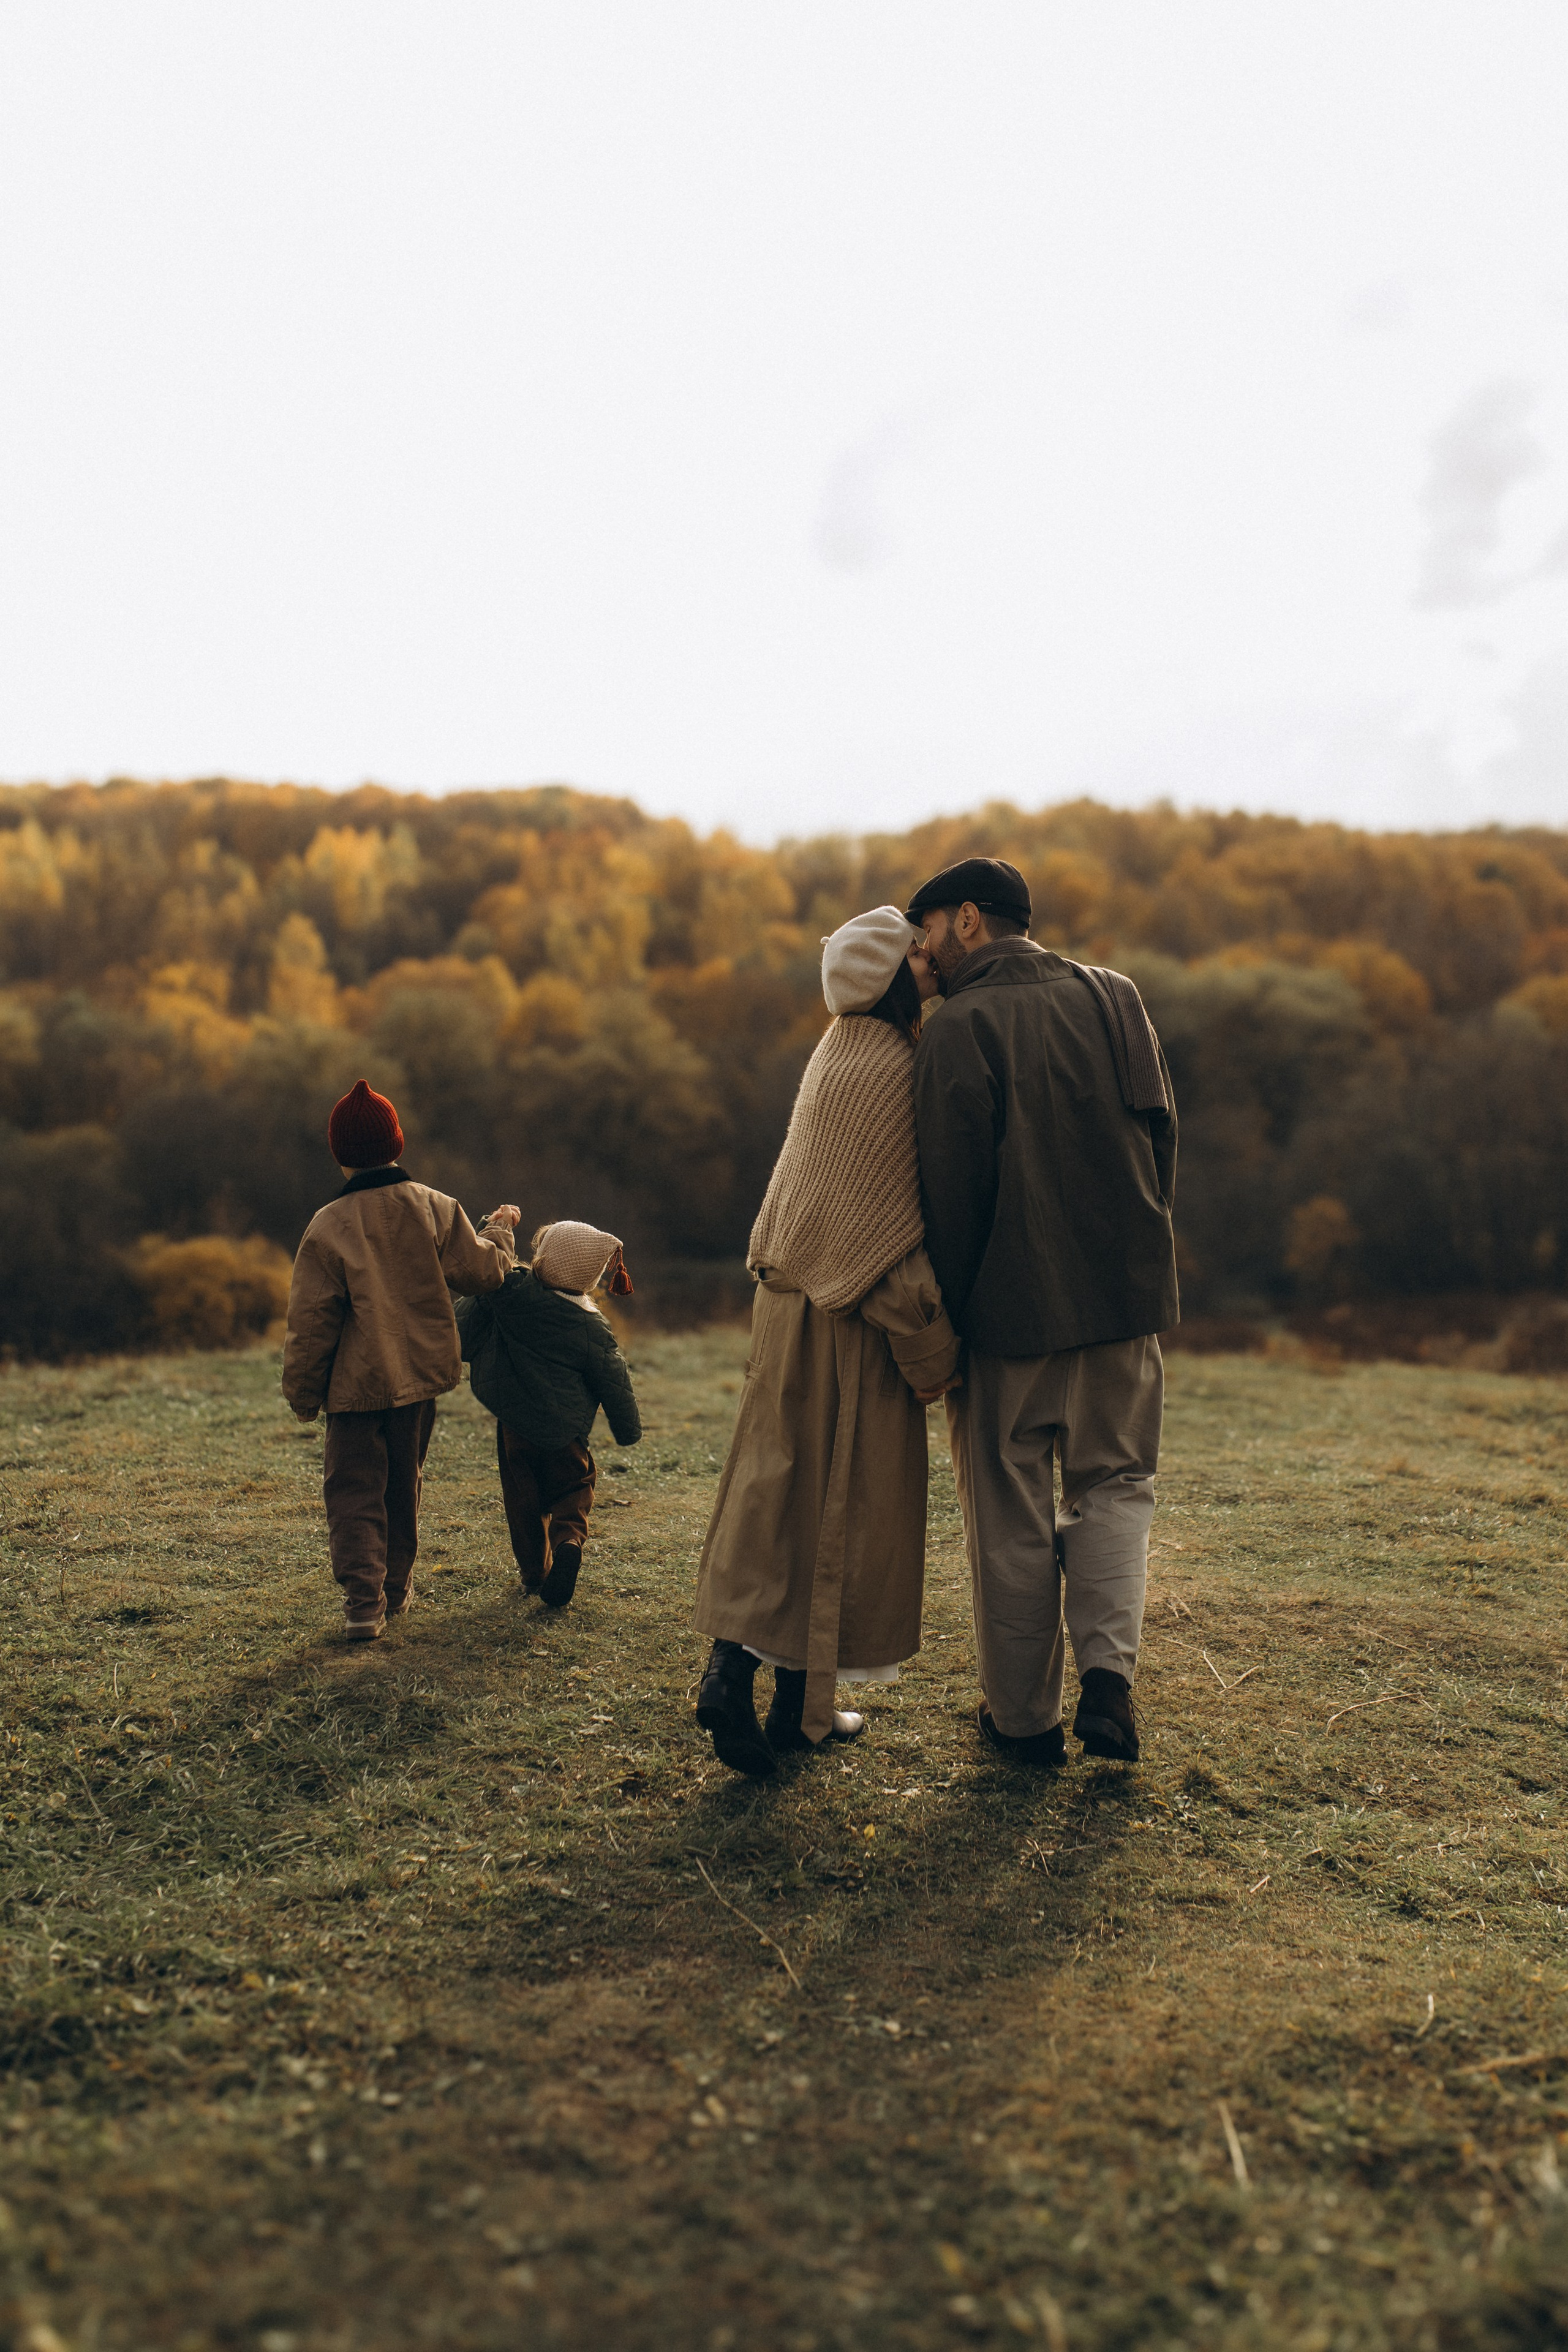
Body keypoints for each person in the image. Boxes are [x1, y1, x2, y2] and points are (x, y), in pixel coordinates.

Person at [908, 857, 1178, 1766]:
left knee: (1009, 1516)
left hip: (1009, 1322)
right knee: (1114, 1487)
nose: (923, 949)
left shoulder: (957, 1029)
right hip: (1121, 1306)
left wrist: (948, 1328)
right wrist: (1133, 1256)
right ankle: (1109, 1684)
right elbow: (1160, 1138)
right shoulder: (1116, 997)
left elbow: (951, 1201)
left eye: (930, 927)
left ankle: (1022, 1727)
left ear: (972, 921)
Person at [693, 907, 962, 1777]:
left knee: (774, 1494)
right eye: (916, 955)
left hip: (785, 1307)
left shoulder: (832, 1051)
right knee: (841, 1504)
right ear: (888, 976)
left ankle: (742, 1679)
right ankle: (786, 1709)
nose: (929, 962)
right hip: (851, 1318)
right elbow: (883, 1234)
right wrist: (935, 1359)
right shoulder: (894, 1066)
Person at [281, 1079, 521, 1638]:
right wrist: (500, 1232)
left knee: (353, 1490)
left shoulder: (326, 1227)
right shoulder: (435, 1207)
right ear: (399, 1144)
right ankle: (395, 1588)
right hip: (417, 1383)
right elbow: (483, 1272)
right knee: (401, 1484)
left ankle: (364, 1605)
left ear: (340, 1155)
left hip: (354, 1389)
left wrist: (302, 1392)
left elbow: (311, 1323)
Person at [455, 1218, 642, 1609]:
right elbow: (614, 1378)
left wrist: (495, 1230)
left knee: (522, 1501)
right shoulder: (592, 1326)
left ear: (543, 1259)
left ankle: (534, 1575)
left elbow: (469, 1309)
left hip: (514, 1428)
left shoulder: (508, 1293)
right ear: (590, 1278)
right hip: (566, 1432)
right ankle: (569, 1541)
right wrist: (627, 1428)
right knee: (575, 1487)